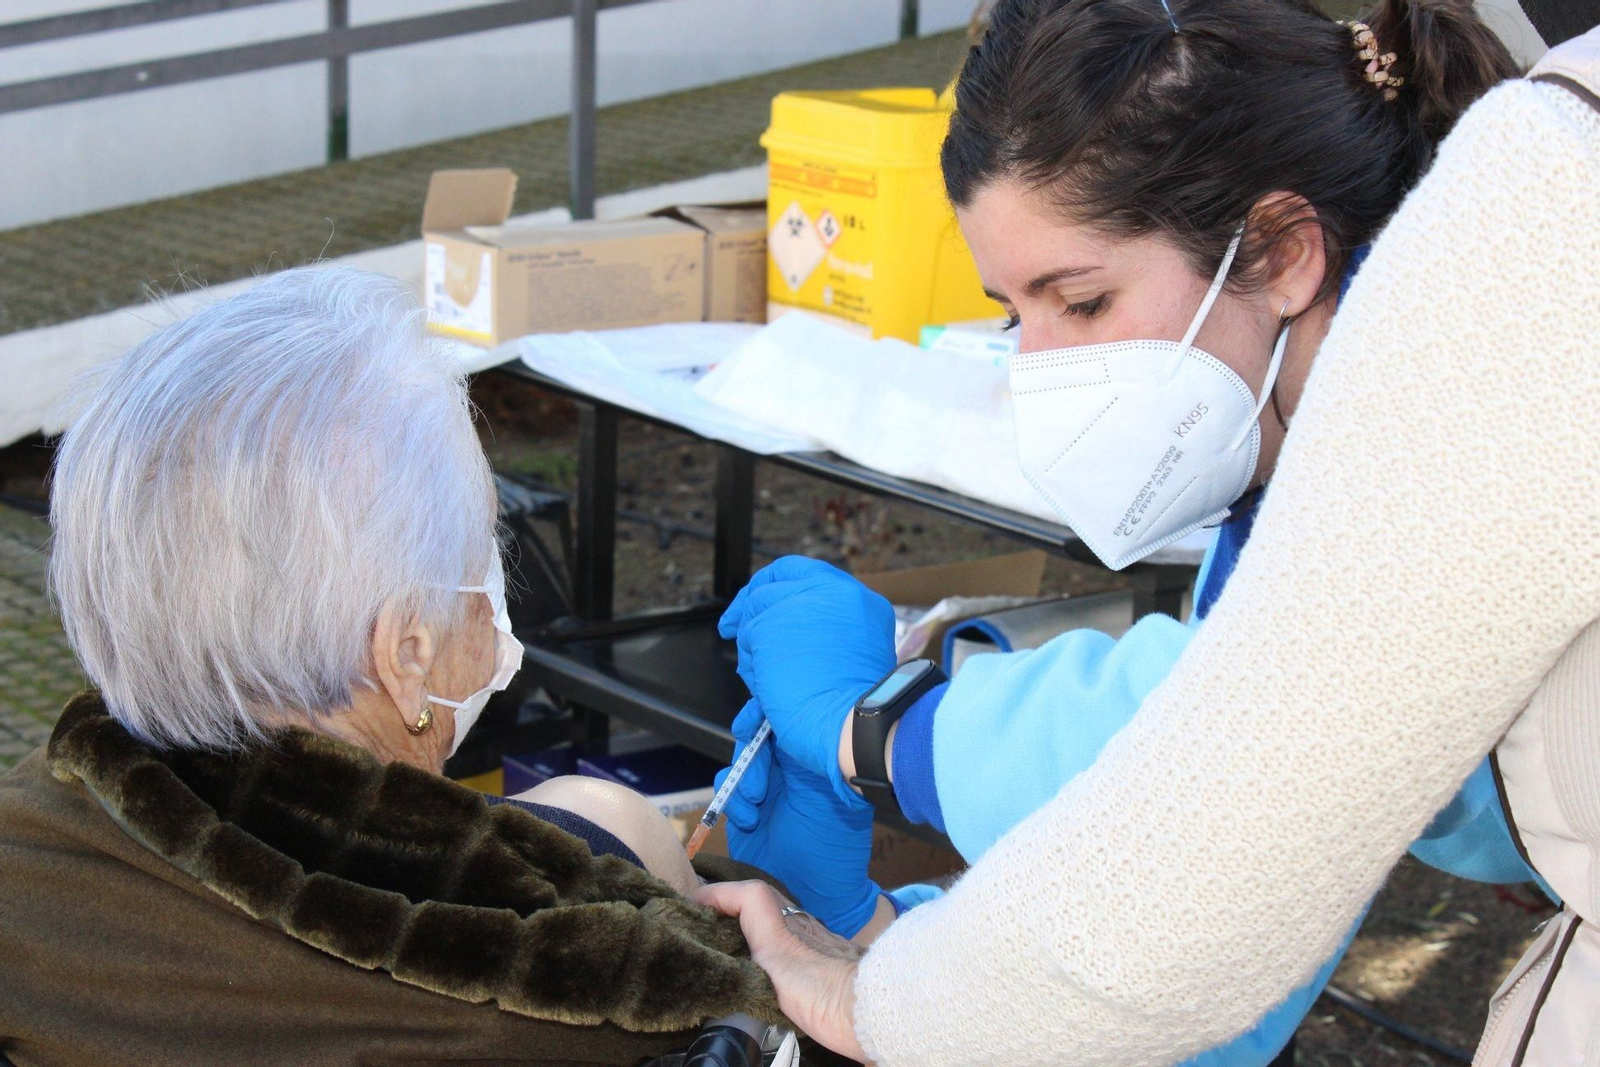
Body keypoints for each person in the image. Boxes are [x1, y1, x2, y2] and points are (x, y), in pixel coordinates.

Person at [700, 15, 1600, 1067]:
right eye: (1011, 314)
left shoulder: (1511, 311)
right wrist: (892, 944)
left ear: (1279, 252)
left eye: (1080, 301)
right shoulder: (1292, 454)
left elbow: (1236, 770)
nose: (1039, 371)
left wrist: (888, 736)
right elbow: (1246, 914)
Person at [0, 268, 780, 1067]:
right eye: (484, 551)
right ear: (407, 655)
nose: (494, 587)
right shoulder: (597, 978)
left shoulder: (26, 859)